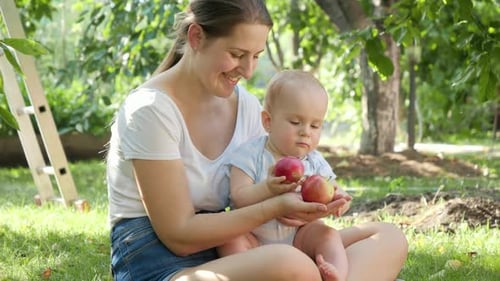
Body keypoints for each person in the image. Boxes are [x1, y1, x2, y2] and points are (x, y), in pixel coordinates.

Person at [106, 1, 408, 280]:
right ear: (196, 37)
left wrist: (311, 202)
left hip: (236, 250)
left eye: (256, 57)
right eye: (237, 55)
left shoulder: (246, 106)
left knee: (386, 237)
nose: (249, 71)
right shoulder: (149, 111)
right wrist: (275, 208)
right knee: (290, 264)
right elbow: (179, 236)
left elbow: (271, 181)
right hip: (164, 265)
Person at [217, 70, 352, 281]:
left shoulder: (314, 161)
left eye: (315, 125)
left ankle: (336, 274)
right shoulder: (250, 154)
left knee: (328, 234)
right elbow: (238, 197)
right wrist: (268, 188)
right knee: (229, 239)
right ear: (268, 121)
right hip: (254, 239)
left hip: (299, 238)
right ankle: (248, 275)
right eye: (296, 122)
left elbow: (333, 189)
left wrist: (341, 199)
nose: (306, 132)